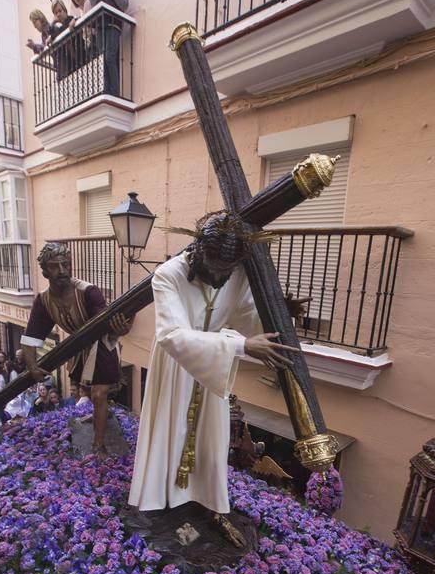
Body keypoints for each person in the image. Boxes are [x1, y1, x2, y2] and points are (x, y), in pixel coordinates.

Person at [128, 211, 300, 546]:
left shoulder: (237, 273)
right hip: (175, 366)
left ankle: (203, 501)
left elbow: (249, 316)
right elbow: (172, 335)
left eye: (228, 271)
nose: (219, 278)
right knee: (170, 429)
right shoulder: (169, 274)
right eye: (213, 269)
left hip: (215, 367)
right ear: (197, 250)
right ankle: (162, 502)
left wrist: (278, 315)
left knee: (211, 436)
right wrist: (240, 345)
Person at [20, 242, 131, 455]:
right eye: (55, 266)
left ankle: (98, 445)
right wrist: (32, 366)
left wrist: (121, 330)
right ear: (44, 270)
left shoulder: (89, 292)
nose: (62, 270)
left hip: (102, 343)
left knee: (99, 393)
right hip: (78, 346)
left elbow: (107, 324)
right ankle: (102, 414)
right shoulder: (43, 300)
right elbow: (31, 336)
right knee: (86, 390)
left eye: (66, 264)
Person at [89, 0, 129, 96]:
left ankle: (114, 93)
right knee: (102, 59)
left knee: (110, 56)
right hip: (100, 26)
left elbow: (124, 3)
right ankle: (105, 90)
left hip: (113, 24)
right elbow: (93, 2)